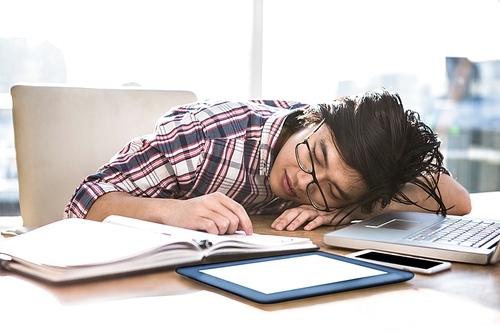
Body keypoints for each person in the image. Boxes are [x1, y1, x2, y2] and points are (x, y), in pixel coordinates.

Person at [64, 88, 471, 235]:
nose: (304, 181)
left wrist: (349, 208)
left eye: (330, 189)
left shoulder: (355, 173)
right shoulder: (209, 137)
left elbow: (457, 200)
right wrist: (175, 212)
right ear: (314, 116)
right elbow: (82, 204)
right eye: (314, 155)